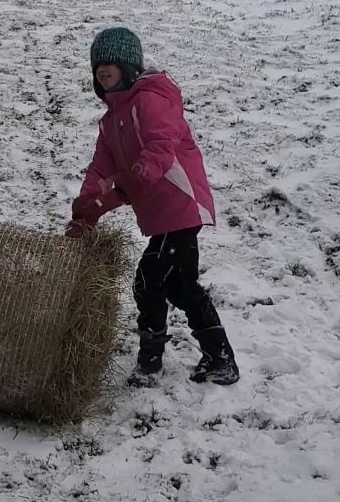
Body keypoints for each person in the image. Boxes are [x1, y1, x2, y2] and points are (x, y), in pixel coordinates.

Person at [66, 26, 239, 388]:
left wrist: (119, 192)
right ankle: (219, 357)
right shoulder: (112, 120)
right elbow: (101, 168)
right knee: (181, 287)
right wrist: (85, 209)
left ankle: (150, 363)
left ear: (129, 66)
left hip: (181, 204)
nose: (102, 69)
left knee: (148, 279)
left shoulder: (151, 100)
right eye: (97, 64)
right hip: (158, 214)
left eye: (110, 62)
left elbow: (160, 149)